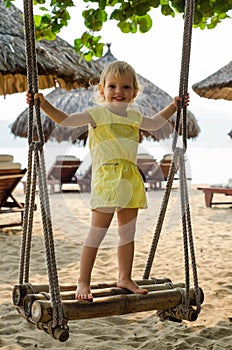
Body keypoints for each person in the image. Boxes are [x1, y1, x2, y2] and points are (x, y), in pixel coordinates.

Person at [26, 60, 189, 302]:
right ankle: (83, 280)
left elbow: (155, 123)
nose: (119, 91)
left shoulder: (134, 116)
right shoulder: (97, 114)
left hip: (131, 179)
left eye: (125, 87)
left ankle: (125, 277)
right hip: (106, 179)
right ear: (101, 91)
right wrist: (44, 104)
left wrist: (174, 106)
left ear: (134, 92)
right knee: (96, 234)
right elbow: (65, 120)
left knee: (127, 234)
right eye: (112, 86)